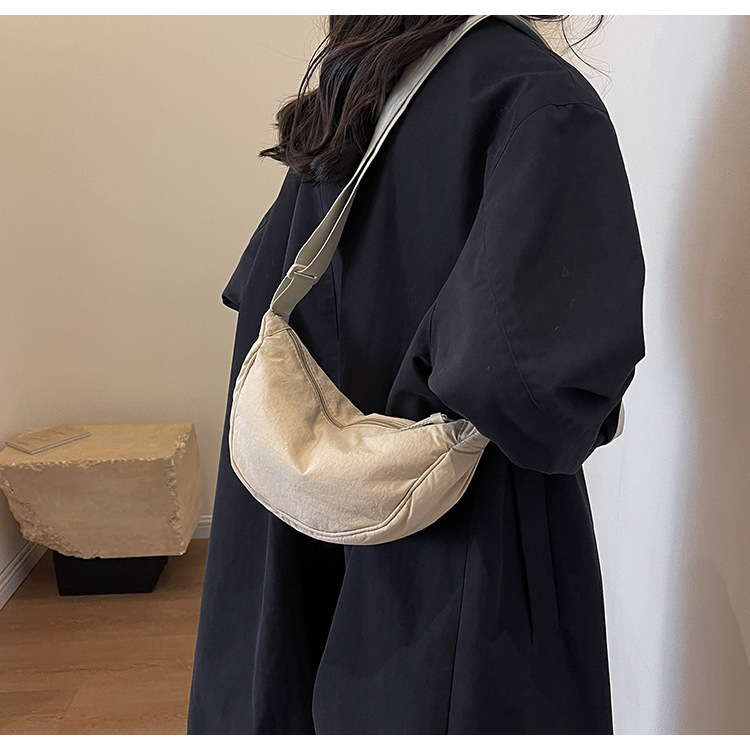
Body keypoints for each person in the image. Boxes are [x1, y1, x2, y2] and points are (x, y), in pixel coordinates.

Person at [187, 15, 646, 734]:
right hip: (462, 554)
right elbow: (536, 389)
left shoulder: (355, 78)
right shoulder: (538, 102)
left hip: (293, 522)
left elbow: (267, 293)